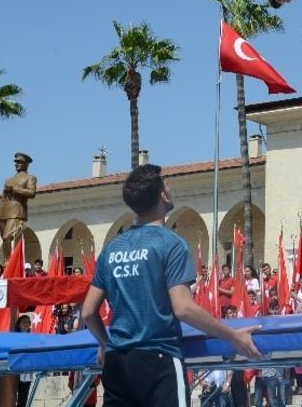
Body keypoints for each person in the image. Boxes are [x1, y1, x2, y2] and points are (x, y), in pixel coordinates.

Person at [81, 164, 260, 407]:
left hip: (117, 362)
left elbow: (88, 312)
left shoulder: (112, 249)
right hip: (158, 360)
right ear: (163, 195)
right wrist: (232, 336)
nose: (170, 187)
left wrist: (105, 343)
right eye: (166, 184)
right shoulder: (171, 244)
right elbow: (183, 308)